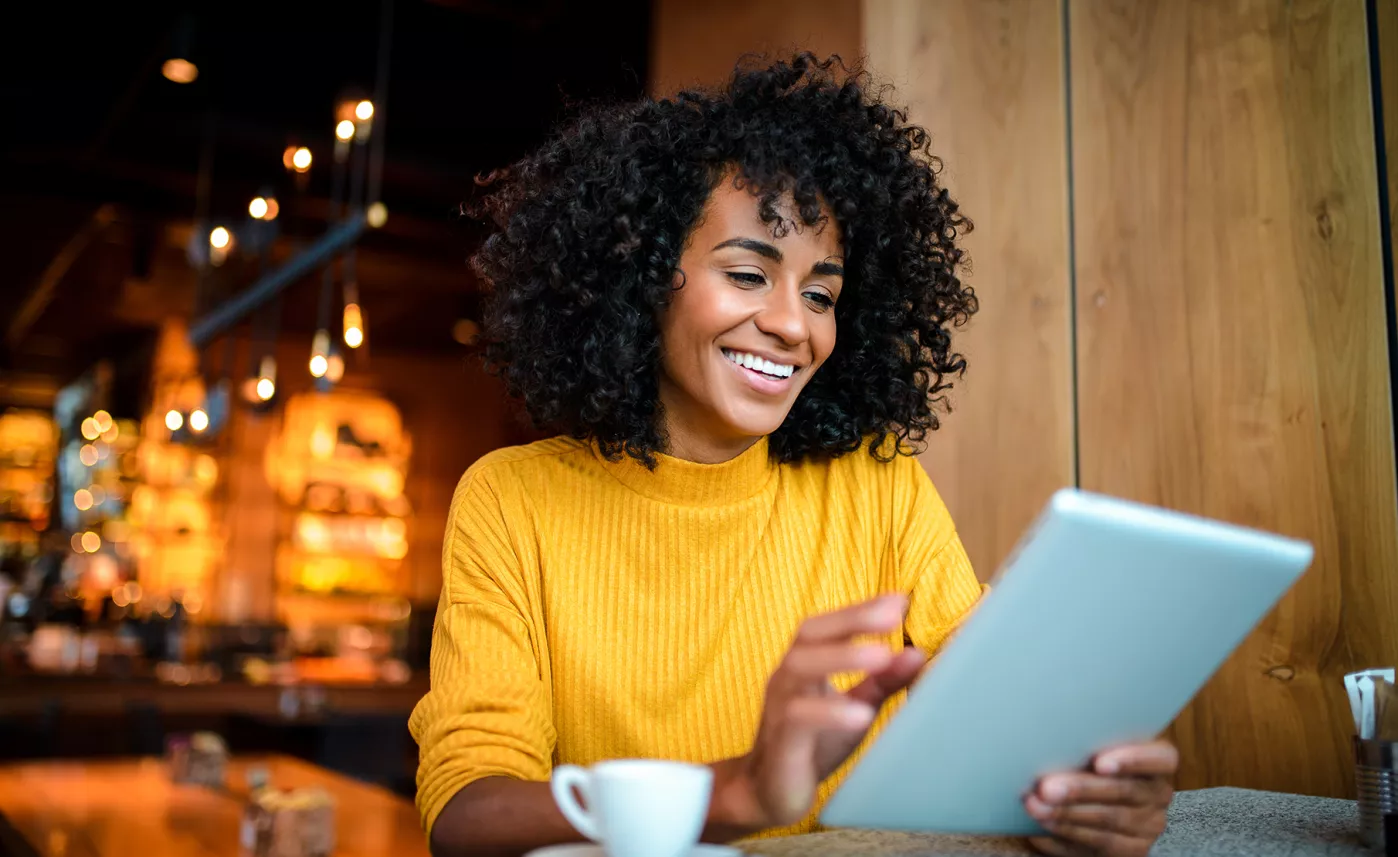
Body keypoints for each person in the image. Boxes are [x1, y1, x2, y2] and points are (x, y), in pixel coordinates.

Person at [411, 54, 1176, 857]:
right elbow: (468, 812)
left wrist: (1088, 786)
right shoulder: (512, 499)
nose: (793, 325)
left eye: (821, 294)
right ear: (640, 278)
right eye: (749, 273)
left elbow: (1000, 703)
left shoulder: (877, 483)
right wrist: (736, 789)